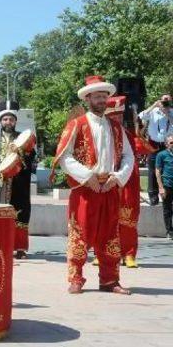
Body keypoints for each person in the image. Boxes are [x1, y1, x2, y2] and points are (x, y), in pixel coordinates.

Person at [55, 75, 134, 295]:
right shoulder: (76, 125)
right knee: (80, 232)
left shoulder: (117, 128)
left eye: (104, 96)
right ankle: (76, 278)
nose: (101, 100)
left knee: (110, 234)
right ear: (88, 99)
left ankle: (110, 280)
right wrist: (86, 176)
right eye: (97, 97)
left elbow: (128, 156)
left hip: (109, 186)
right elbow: (64, 156)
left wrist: (117, 178)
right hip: (85, 189)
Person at [0, 101, 35, 259]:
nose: (8, 122)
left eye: (11, 119)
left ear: (15, 121)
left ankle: (20, 248)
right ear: (0, 121)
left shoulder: (23, 138)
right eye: (5, 119)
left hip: (18, 183)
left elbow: (32, 158)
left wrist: (22, 152)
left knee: (19, 213)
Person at [105, 96, 141, 268]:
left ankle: (129, 254)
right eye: (114, 116)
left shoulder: (127, 135)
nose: (118, 119)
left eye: (120, 115)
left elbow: (131, 160)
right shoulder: (100, 133)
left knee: (127, 220)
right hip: (106, 181)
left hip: (127, 182)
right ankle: (104, 253)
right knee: (106, 220)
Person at [139, 94, 173, 205]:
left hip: (167, 145)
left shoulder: (171, 112)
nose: (165, 103)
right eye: (164, 100)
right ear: (160, 101)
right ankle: (153, 195)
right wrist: (154, 105)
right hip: (153, 144)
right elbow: (141, 117)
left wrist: (168, 114)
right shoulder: (153, 111)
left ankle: (167, 195)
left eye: (167, 101)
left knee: (167, 169)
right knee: (152, 169)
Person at [155, 134, 173, 240]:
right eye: (171, 142)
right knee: (167, 209)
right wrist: (161, 188)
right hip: (167, 185)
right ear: (166, 144)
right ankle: (169, 231)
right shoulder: (161, 155)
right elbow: (157, 171)